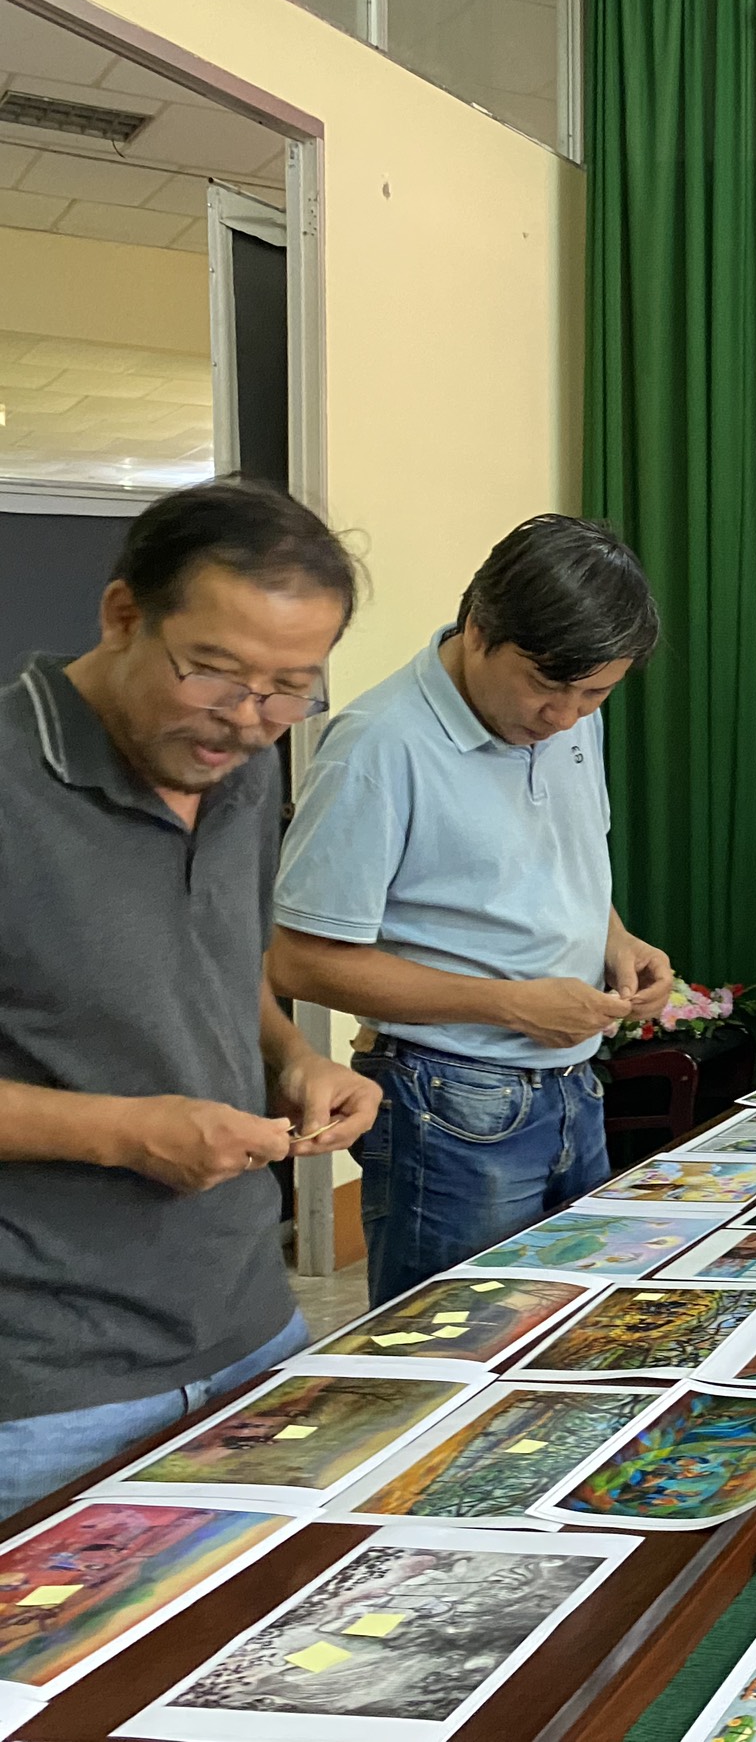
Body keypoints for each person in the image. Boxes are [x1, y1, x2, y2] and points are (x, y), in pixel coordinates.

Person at [0, 480, 380, 1516]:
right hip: (46, 1386)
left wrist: (293, 1058)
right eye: (212, 672)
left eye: (289, 689)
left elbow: (219, 965)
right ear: (123, 614)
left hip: (253, 1323)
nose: (246, 719)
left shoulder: (238, 769)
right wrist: (126, 1134)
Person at [267, 516, 675, 1305]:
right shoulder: (378, 746)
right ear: (480, 629)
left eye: (596, 693)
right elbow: (300, 961)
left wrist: (617, 940)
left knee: (575, 1331)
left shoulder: (570, 715)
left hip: (572, 1086)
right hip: (446, 1105)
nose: (565, 716)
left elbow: (555, 859)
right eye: (548, 686)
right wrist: (511, 1005)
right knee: (456, 1343)